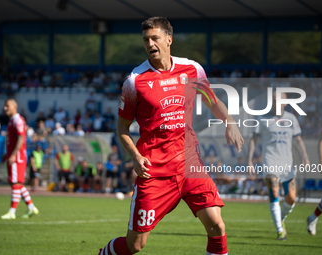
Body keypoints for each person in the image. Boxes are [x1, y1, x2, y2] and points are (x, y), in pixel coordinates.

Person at [97, 17, 243, 255]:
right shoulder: (135, 81)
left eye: (155, 38)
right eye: (146, 39)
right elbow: (122, 129)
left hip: (189, 164)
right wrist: (135, 156)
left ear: (168, 39)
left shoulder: (192, 69)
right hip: (155, 172)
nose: (150, 44)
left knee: (217, 225)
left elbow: (212, 101)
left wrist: (230, 122)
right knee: (135, 245)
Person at [247, 91, 310, 240]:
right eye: (273, 99)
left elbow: (298, 139)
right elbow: (253, 139)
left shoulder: (292, 119)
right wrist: (249, 160)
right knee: (274, 193)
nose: (275, 102)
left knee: (291, 199)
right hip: (270, 161)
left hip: (287, 164)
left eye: (278, 99)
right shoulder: (262, 119)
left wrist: (305, 156)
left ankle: (280, 219)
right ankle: (280, 230)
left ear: (285, 102)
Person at [1, 98, 39, 219]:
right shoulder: (12, 120)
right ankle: (31, 207)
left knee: (16, 183)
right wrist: (7, 154)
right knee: (16, 184)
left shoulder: (18, 120)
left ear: (14, 106)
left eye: (7, 106)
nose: (5, 108)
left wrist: (12, 154)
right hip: (14, 155)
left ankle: (12, 212)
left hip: (18, 157)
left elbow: (21, 139)